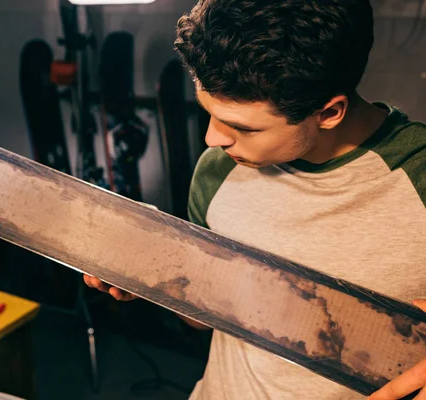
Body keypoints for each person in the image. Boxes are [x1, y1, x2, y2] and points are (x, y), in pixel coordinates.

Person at [84, 0, 426, 398]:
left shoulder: (417, 177)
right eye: (209, 113)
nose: (213, 140)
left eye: (242, 128)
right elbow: (205, 318)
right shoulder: (218, 169)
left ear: (329, 112)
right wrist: (156, 271)